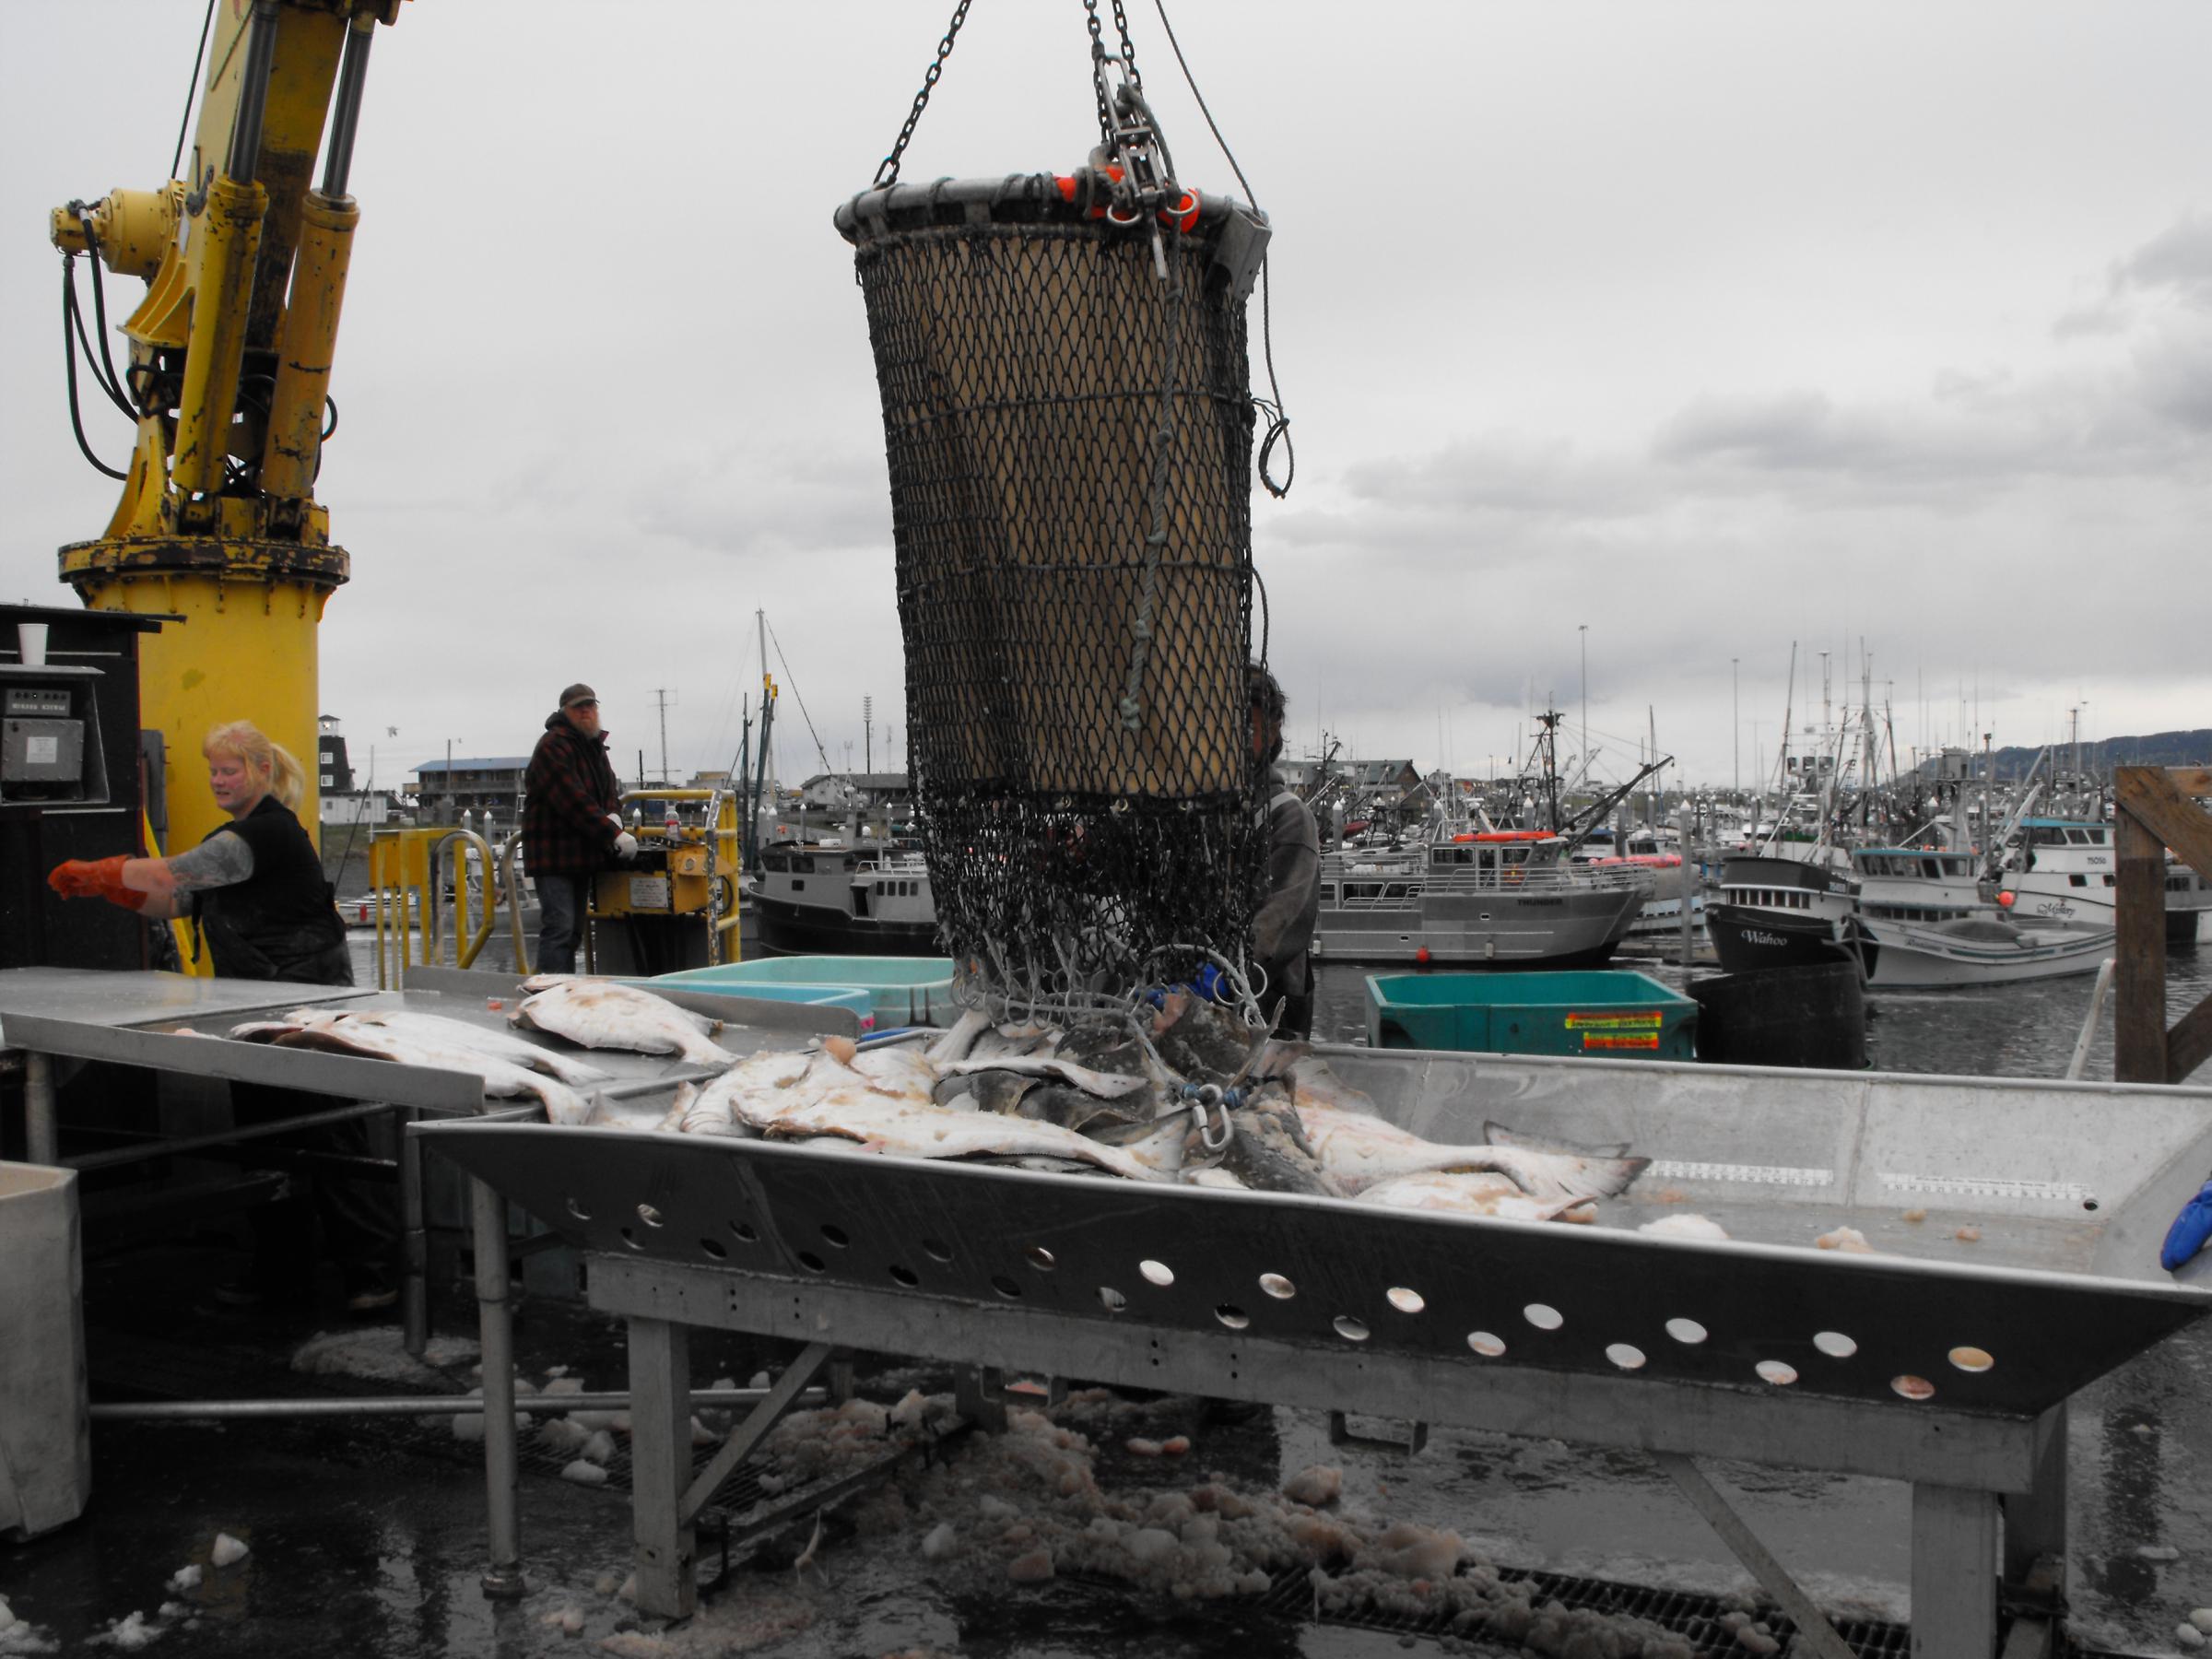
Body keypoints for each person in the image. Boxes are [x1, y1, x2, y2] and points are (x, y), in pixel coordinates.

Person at [48, 720, 398, 1312]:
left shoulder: (267, 833)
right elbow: (176, 899)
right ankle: (281, 1271)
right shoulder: (231, 840)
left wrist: (105, 870)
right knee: (265, 1138)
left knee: (330, 1133)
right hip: (253, 1006)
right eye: (213, 770)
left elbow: (175, 872)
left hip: (308, 1009)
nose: (217, 780)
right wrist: (112, 891)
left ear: (262, 771)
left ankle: (374, 1272)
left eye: (228, 770)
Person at [522, 682, 636, 973]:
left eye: (590, 705)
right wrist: (613, 833)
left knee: (572, 931)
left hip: (580, 854)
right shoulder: (552, 746)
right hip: (553, 856)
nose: (586, 711)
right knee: (559, 928)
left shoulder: (594, 746)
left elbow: (609, 789)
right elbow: (573, 800)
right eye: (579, 707)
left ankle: (565, 988)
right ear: (565, 712)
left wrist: (614, 815)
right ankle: (549, 991)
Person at [1247, 662, 1321, 1039]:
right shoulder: (1191, 815)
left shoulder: (1289, 816)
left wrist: (1216, 979)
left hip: (1266, 1023)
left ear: (1273, 730)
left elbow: (1278, 925)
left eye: (1247, 726)